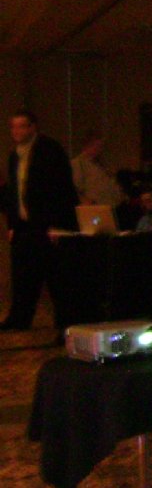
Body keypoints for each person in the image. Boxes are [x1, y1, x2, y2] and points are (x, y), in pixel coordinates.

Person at [3, 109, 79, 331]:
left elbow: (60, 190)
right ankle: (20, 318)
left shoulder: (49, 150)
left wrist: (58, 225)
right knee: (23, 275)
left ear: (32, 127)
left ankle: (65, 324)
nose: (16, 131)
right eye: (13, 127)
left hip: (48, 224)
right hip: (25, 225)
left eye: (21, 126)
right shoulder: (15, 155)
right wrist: (13, 224)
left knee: (56, 278)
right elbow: (15, 192)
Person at [71, 133, 124, 209]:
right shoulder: (78, 164)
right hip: (94, 209)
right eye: (97, 146)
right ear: (88, 145)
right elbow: (75, 188)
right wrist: (87, 203)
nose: (100, 149)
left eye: (100, 146)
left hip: (111, 208)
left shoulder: (101, 166)